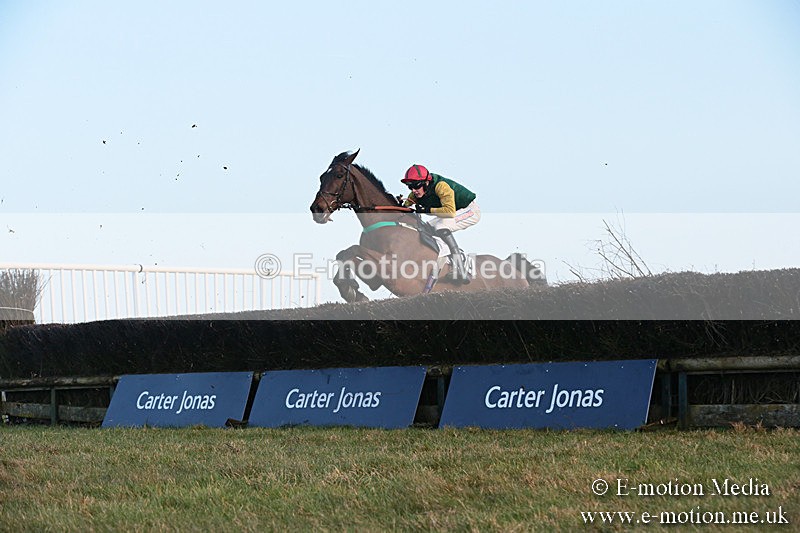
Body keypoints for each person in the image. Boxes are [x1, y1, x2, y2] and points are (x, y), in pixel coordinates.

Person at [401, 164, 481, 283]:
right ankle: (447, 259)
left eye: (416, 186)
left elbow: (449, 212)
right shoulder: (415, 194)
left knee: (440, 226)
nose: (413, 190)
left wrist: (427, 210)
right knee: (426, 227)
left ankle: (461, 268)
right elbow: (405, 207)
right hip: (454, 212)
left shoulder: (441, 186)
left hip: (469, 210)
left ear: (426, 182)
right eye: (410, 186)